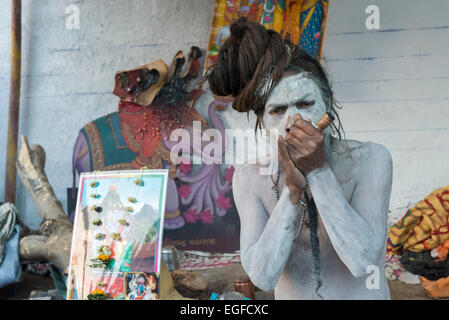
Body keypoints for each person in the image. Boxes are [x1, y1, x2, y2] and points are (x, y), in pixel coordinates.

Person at [207, 17, 393, 300]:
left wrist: (318, 172)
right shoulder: (249, 179)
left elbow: (363, 262)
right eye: (277, 110)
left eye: (306, 104)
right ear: (263, 121)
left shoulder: (370, 160)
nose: (294, 121)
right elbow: (262, 276)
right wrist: (292, 192)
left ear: (327, 103)